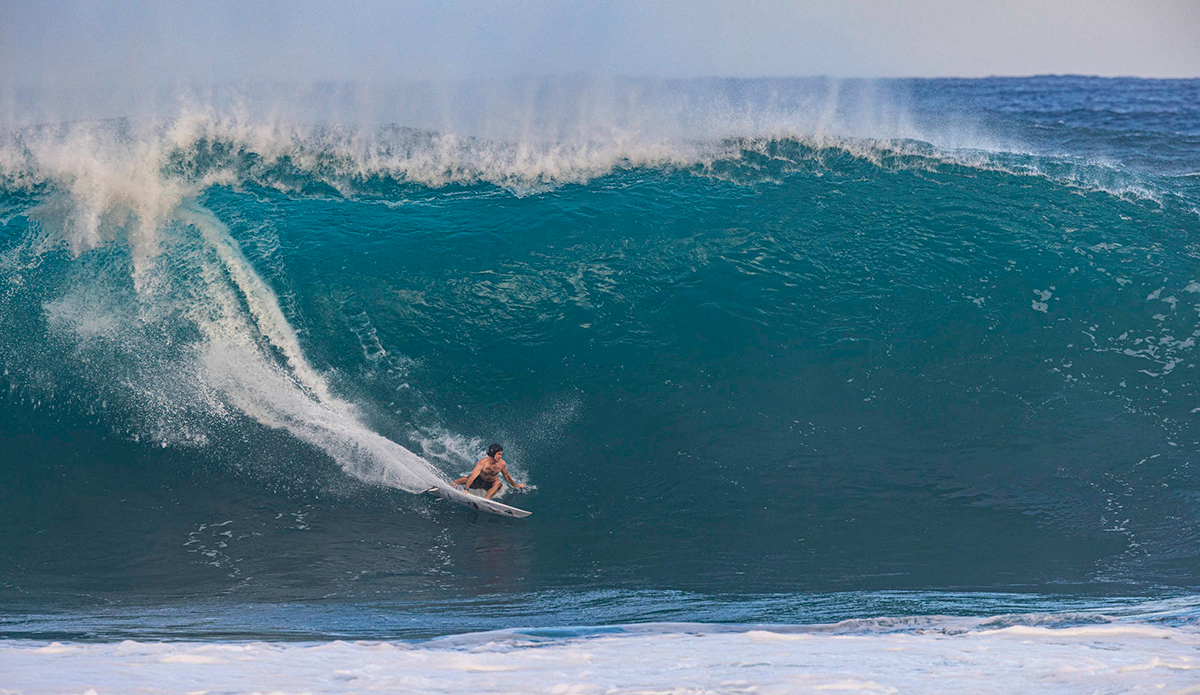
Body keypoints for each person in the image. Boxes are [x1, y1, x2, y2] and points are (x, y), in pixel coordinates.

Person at [452, 444, 525, 500]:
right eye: (498, 454)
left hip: (490, 485)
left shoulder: (502, 464)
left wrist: (515, 485)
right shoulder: (482, 464)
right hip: (479, 482)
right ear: (493, 454)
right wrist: (466, 489)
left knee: (498, 483)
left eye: (501, 454)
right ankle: (449, 486)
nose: (500, 456)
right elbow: (472, 477)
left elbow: (506, 475)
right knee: (465, 479)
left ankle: (486, 500)